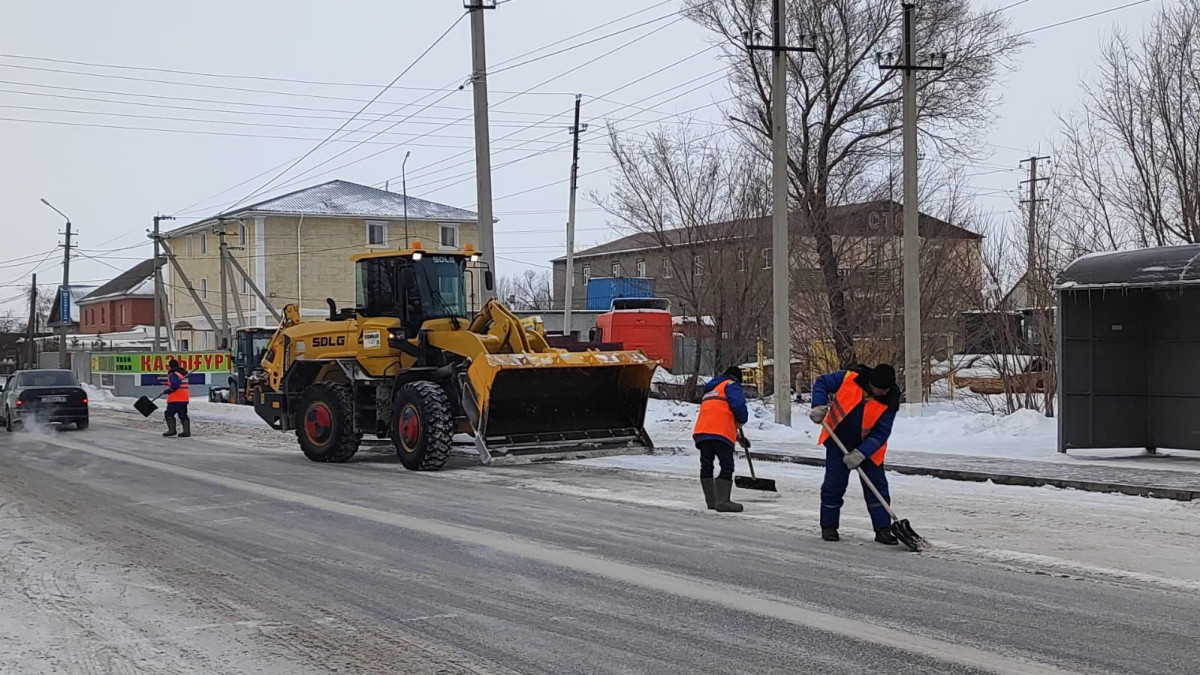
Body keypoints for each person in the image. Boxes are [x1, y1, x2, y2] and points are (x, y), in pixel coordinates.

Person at [809, 363, 901, 544]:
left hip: (868, 448)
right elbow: (822, 382)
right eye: (877, 388)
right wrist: (818, 405)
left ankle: (883, 529)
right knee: (834, 485)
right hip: (838, 439)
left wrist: (861, 453)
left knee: (877, 487)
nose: (879, 393)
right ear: (870, 382)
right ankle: (829, 527)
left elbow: (881, 432)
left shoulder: (890, 400)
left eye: (883, 390)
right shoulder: (849, 377)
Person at [692, 366, 749, 513]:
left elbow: (717, 413)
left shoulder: (711, 389)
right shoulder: (731, 384)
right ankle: (723, 501)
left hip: (702, 432)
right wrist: (742, 420)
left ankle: (712, 501)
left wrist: (737, 436)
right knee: (727, 465)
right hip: (720, 432)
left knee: (706, 464)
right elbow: (738, 406)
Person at [163, 358, 192, 438]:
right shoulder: (183, 373)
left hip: (175, 399)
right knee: (183, 415)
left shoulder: (173, 374)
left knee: (168, 414)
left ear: (170, 366)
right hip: (184, 398)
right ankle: (186, 432)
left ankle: (172, 430)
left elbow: (175, 385)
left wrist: (168, 390)